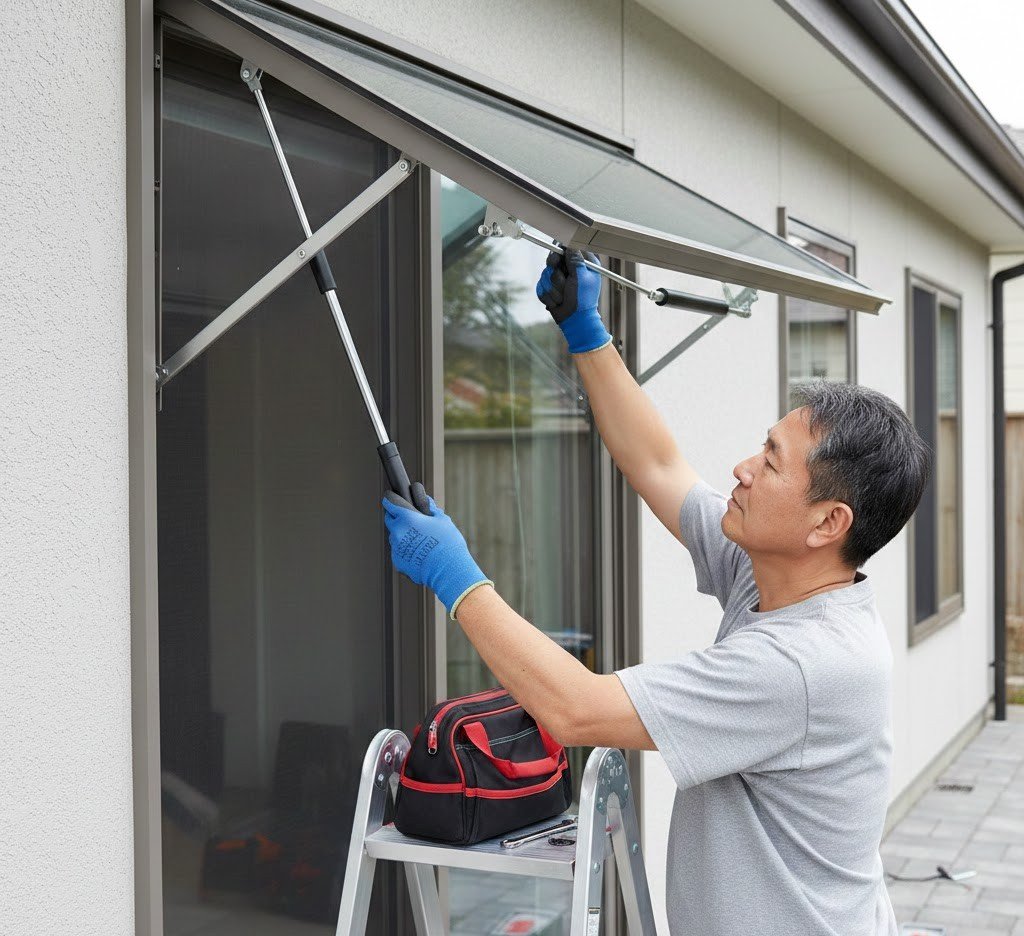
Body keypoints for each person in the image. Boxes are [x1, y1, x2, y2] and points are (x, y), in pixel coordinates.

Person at [381, 248, 930, 936]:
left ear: (828, 523)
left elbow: (576, 711)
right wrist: (586, 332)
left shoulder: (803, 665)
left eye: (770, 462)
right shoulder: (775, 575)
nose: (743, 468)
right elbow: (659, 464)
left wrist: (456, 578)